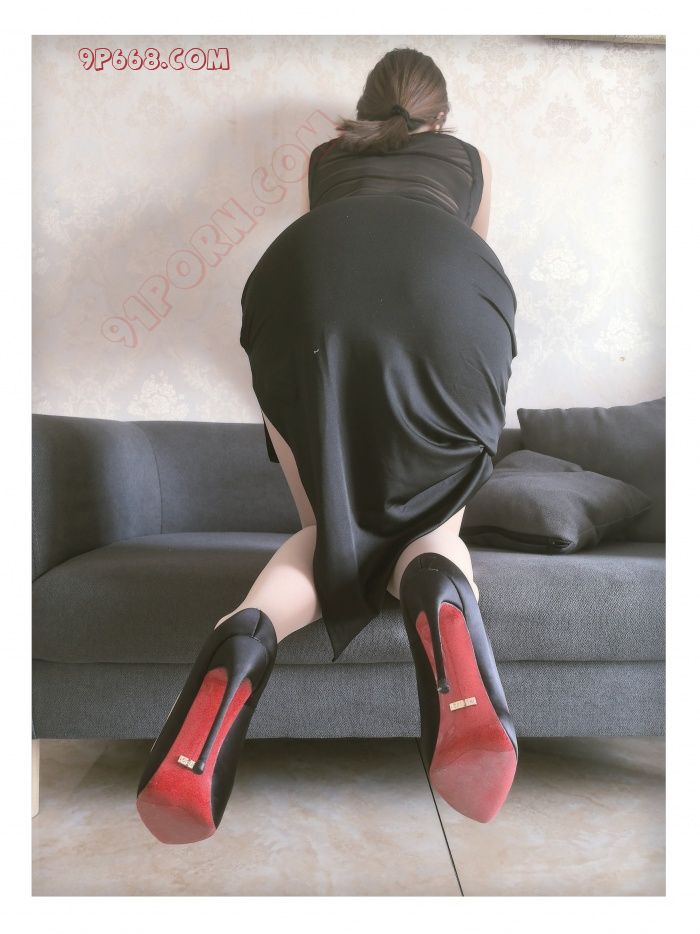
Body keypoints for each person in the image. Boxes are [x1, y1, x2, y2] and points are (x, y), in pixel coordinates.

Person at [136, 47, 519, 844]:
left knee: (326, 526)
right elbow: (457, 249)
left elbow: (336, 241)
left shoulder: (323, 159)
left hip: (302, 286)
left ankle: (245, 636)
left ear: (367, 105)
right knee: (432, 524)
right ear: (441, 114)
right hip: (450, 287)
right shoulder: (471, 160)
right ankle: (442, 600)